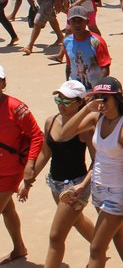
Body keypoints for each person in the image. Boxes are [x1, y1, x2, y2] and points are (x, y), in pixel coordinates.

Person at [56, 76, 123, 268]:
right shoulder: (96, 118)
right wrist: (86, 108)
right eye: (97, 97)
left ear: (117, 99)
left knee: (96, 248)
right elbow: (64, 134)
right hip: (97, 190)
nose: (100, 102)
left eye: (104, 98)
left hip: (118, 193)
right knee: (117, 234)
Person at [20, 80, 95, 268]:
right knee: (76, 220)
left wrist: (83, 186)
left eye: (67, 100)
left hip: (75, 186)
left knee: (55, 236)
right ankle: (99, 246)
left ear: (79, 102)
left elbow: (98, 161)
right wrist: (28, 181)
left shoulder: (86, 128)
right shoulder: (51, 121)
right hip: (54, 183)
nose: (61, 103)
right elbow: (46, 153)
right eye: (59, 99)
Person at [0, 64, 43, 264]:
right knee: (7, 209)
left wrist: (30, 164)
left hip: (10, 170)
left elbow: (37, 136)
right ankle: (19, 248)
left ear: (3, 83)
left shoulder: (15, 107)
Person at [63, 6, 111, 89]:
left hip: (93, 88)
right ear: (69, 23)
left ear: (87, 22)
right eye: (73, 21)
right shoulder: (67, 41)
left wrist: (97, 89)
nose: (77, 24)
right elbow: (69, 65)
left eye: (80, 20)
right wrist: (68, 85)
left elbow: (105, 68)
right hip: (75, 87)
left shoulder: (96, 41)